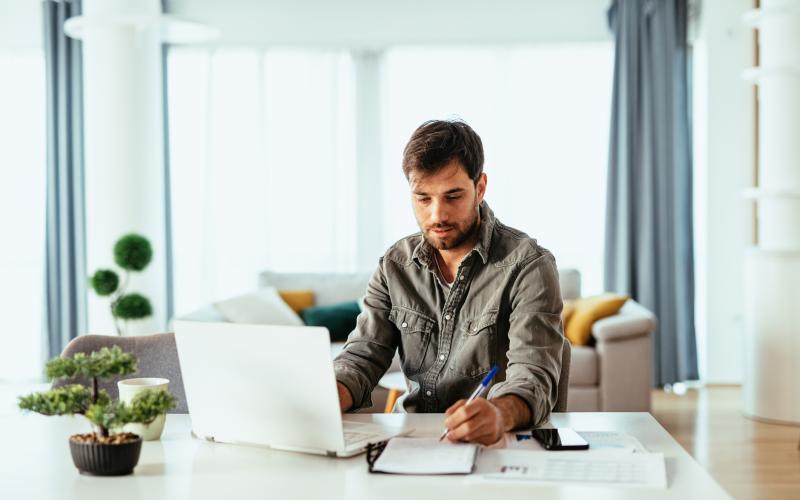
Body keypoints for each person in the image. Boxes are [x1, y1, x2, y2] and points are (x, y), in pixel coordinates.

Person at [333, 119, 564, 445]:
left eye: (453, 196)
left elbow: (533, 376)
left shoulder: (528, 265)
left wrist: (499, 413)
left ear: (480, 187)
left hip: (496, 445)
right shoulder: (394, 265)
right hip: (410, 442)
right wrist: (328, 395)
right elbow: (362, 357)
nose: (437, 215)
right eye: (423, 198)